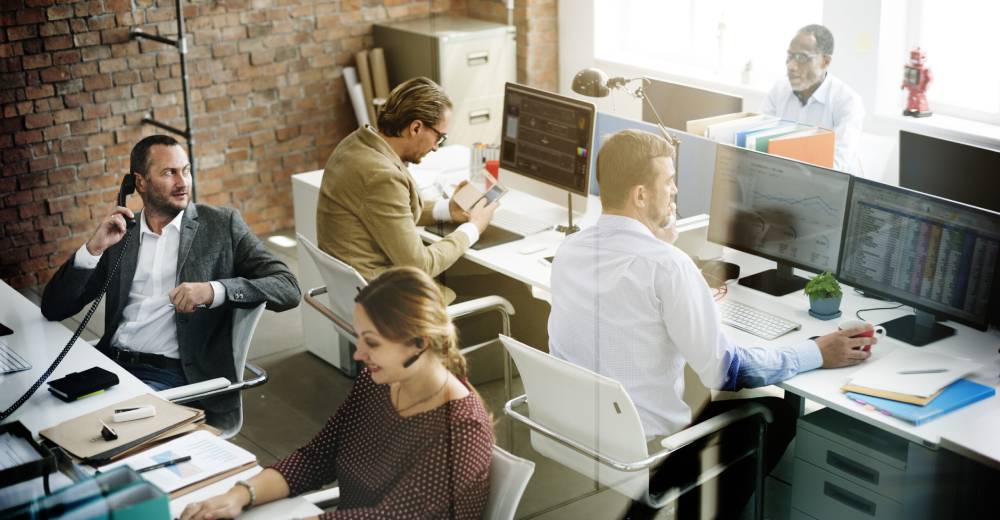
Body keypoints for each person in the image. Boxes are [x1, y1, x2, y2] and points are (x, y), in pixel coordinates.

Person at [547, 129, 876, 517]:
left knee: (697, 385)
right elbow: (728, 370)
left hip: (581, 433)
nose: (674, 192)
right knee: (775, 411)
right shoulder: (667, 267)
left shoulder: (570, 249)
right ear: (640, 195)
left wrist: (660, 247)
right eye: (668, 183)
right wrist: (817, 351)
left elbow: (628, 290)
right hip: (646, 449)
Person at [180, 267, 494, 520]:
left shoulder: (463, 430)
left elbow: (393, 516)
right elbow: (317, 458)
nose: (358, 354)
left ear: (420, 344)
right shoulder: (377, 383)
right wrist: (239, 495)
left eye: (372, 343)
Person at [41, 135, 301, 429]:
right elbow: (54, 307)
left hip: (170, 376)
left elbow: (288, 286)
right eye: (169, 173)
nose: (183, 182)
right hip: (108, 367)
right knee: (44, 420)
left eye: (186, 170)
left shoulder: (220, 225)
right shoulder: (121, 234)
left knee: (93, 434)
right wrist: (93, 249)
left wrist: (214, 291)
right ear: (139, 183)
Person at [317, 76, 498, 302]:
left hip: (359, 289)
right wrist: (474, 228)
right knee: (506, 289)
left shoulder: (355, 144)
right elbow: (420, 265)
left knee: (478, 279)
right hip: (389, 303)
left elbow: (390, 212)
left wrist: (448, 210)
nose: (435, 148)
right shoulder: (382, 175)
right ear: (415, 127)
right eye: (439, 138)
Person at [761, 24, 866, 174]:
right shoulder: (779, 90)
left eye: (801, 57)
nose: (791, 66)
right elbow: (759, 147)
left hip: (832, 190)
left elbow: (836, 165)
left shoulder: (847, 102)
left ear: (825, 61)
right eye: (790, 56)